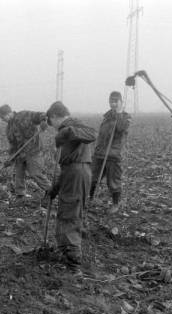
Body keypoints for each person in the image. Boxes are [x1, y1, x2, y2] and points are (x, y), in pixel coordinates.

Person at [46, 101, 97, 274]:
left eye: (51, 123)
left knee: (70, 215)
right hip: (72, 173)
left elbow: (92, 133)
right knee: (67, 211)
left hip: (77, 173)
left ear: (54, 116)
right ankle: (66, 251)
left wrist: (67, 131)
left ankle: (74, 264)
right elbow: (66, 166)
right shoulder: (68, 128)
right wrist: (55, 189)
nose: (53, 128)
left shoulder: (72, 124)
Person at [0, 104, 50, 204]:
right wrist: (10, 159)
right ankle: (20, 195)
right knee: (18, 174)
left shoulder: (24, 115)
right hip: (20, 154)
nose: (2, 120)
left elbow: (42, 115)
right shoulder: (9, 129)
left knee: (35, 173)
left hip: (33, 151)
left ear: (8, 113)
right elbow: (13, 147)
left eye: (2, 117)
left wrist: (43, 122)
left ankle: (50, 191)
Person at [90, 91, 131, 214]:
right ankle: (90, 199)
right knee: (93, 178)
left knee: (113, 181)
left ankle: (115, 204)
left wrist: (119, 113)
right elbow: (102, 135)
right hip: (100, 153)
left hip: (114, 154)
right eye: (111, 101)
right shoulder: (107, 116)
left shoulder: (126, 117)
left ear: (120, 102)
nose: (112, 103)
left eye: (115, 101)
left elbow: (121, 128)